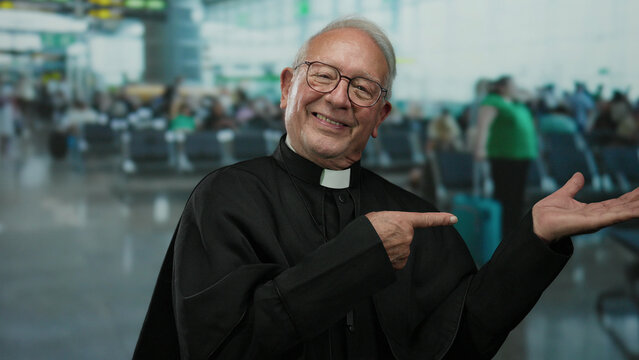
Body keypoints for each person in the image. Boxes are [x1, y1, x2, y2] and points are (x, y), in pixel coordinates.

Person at [134, 17, 639, 359]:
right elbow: (219, 349)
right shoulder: (225, 199)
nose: (338, 99)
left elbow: (459, 339)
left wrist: (533, 240)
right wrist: (360, 257)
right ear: (288, 86)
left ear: (381, 116)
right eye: (323, 75)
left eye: (362, 88)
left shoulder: (411, 214)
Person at [474, 76, 538, 238]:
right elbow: (484, 126)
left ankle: (515, 230)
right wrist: (480, 148)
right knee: (505, 196)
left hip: (522, 156)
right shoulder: (493, 101)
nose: (516, 88)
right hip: (504, 156)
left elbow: (532, 96)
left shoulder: (515, 102)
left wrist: (520, 92)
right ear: (501, 87)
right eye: (513, 85)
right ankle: (503, 232)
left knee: (517, 197)